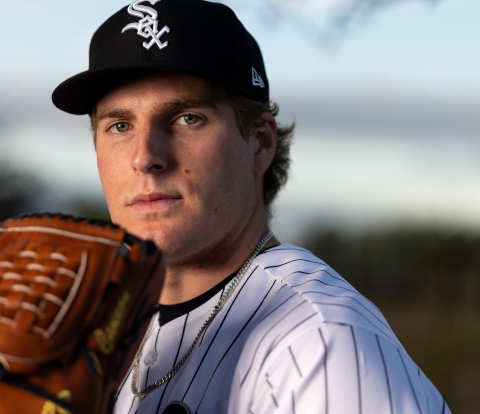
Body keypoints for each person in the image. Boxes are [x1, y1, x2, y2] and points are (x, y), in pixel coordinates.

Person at [51, 1, 450, 413]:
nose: (145, 156)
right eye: (120, 126)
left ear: (259, 143)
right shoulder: (98, 339)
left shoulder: (320, 341)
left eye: (187, 118)